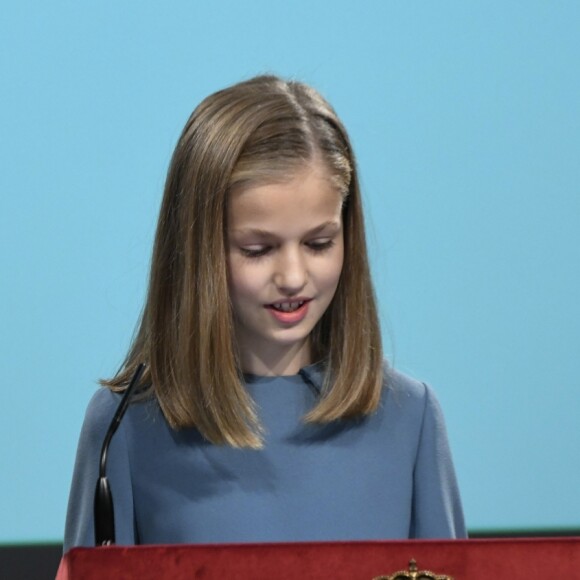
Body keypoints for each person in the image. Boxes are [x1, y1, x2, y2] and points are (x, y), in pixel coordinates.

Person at [64, 75, 466, 552]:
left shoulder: (410, 418)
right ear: (198, 253)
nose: (294, 276)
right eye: (258, 250)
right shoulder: (125, 427)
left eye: (319, 244)